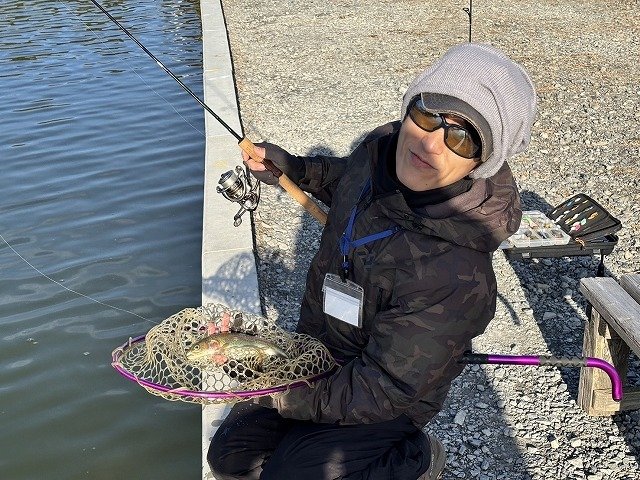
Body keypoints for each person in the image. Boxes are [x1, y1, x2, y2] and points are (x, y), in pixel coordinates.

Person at [208, 42, 537, 480]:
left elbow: (384, 387)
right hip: (319, 352)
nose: (431, 143)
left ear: (481, 162)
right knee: (229, 457)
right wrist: (294, 169)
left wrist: (282, 394)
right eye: (427, 115)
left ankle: (415, 458)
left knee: (289, 473)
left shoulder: (456, 275)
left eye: (461, 137)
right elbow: (346, 180)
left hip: (386, 395)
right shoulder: (380, 153)